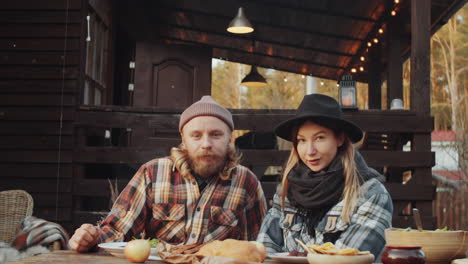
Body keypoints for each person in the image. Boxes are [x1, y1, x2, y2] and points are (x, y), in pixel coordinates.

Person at [69, 96, 267, 252]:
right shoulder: (153, 173)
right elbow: (117, 231)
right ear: (184, 138)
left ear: (230, 138)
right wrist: (91, 238)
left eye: (216, 134)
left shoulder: (246, 182)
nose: (206, 144)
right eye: (196, 135)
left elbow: (257, 247)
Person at [256, 94, 393, 258]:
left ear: (340, 139)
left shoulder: (371, 195)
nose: (310, 151)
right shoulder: (286, 189)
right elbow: (264, 251)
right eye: (302, 140)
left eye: (320, 138)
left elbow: (346, 261)